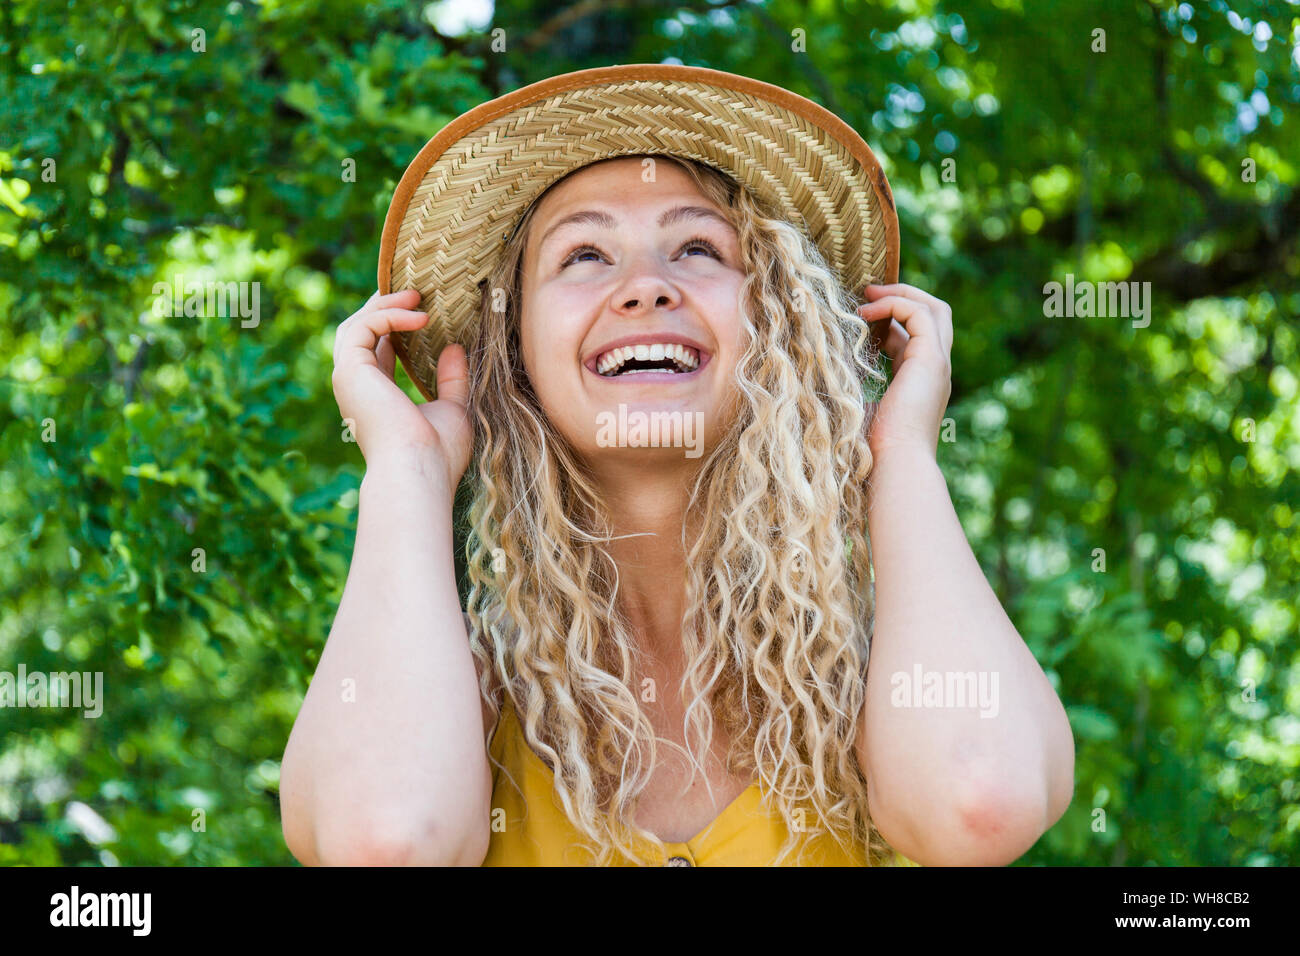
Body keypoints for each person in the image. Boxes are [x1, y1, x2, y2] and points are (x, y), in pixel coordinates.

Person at [280, 66, 1075, 867]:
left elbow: (981, 802)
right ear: (513, 356)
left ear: (781, 328)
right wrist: (407, 476)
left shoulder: (873, 684)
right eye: (584, 255)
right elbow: (383, 843)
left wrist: (899, 455)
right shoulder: (467, 698)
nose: (646, 288)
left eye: (697, 247)